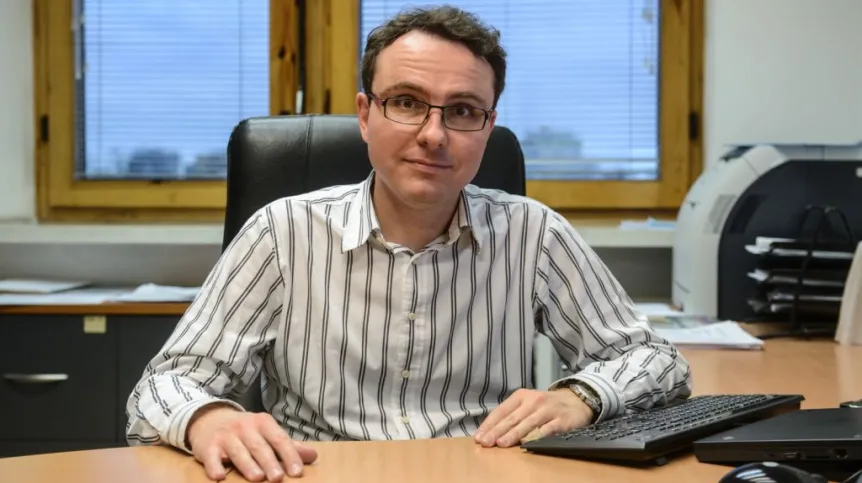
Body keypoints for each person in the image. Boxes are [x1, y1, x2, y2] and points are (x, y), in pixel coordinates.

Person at [126, 5, 692, 482]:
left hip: (479, 473)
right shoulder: (282, 232)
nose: (434, 134)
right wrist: (207, 419)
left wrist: (581, 397)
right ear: (366, 114)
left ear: (487, 128)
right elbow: (165, 386)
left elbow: (655, 361)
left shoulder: (533, 233)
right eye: (406, 102)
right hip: (318, 473)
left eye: (464, 111)